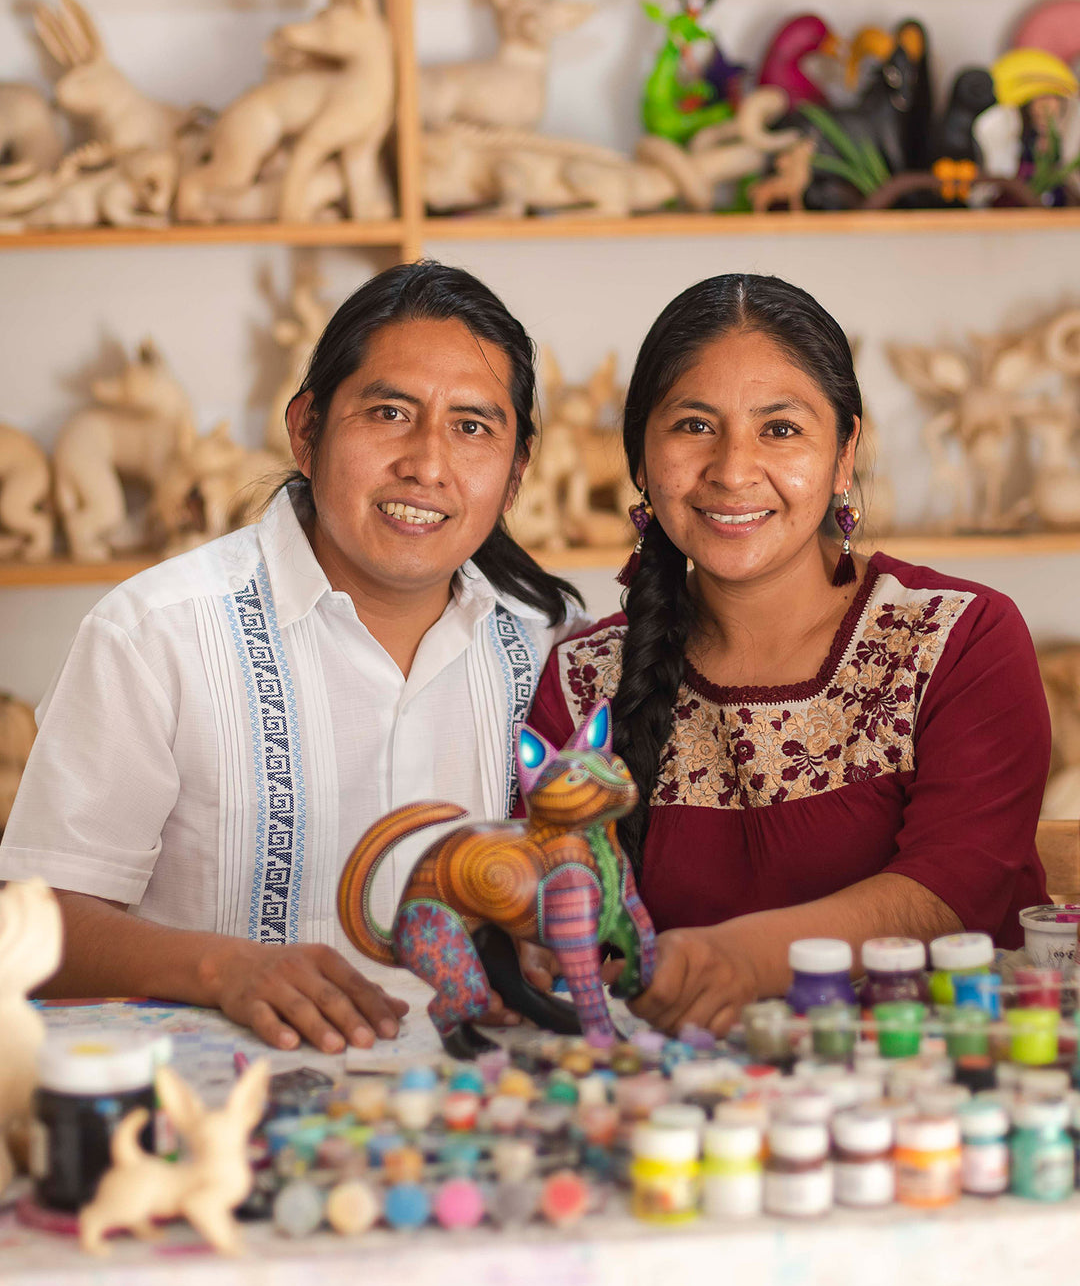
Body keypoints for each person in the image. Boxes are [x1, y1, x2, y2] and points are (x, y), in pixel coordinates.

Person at [0, 262, 584, 1052]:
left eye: (472, 427)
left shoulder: (553, 643)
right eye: (389, 413)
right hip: (223, 1104)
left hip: (482, 1101)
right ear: (307, 430)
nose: (427, 464)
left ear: (516, 474)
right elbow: (32, 925)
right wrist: (221, 969)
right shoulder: (155, 635)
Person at [528, 274, 1050, 1038]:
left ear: (844, 454)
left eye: (780, 429)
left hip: (937, 1077)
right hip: (675, 1092)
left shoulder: (958, 638)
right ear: (640, 458)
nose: (733, 470)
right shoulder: (585, 681)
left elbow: (952, 892)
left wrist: (745, 959)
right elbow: (551, 899)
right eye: (694, 425)